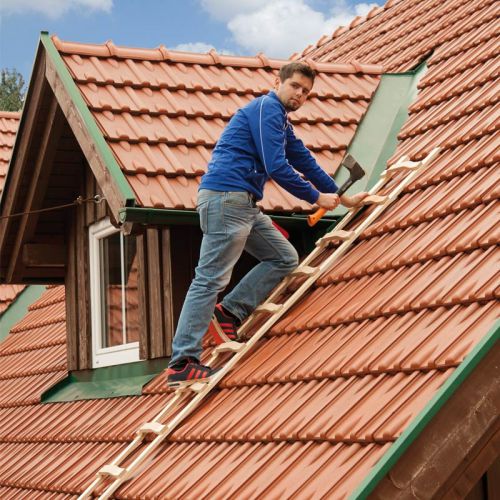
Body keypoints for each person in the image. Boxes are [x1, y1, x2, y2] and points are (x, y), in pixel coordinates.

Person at [166, 62, 369, 388]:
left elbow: (302, 159)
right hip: (226, 199)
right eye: (296, 87)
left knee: (284, 257)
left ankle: (229, 312)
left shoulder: (281, 123)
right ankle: (183, 362)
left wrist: (340, 196)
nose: (300, 95)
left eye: (306, 92)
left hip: (244, 204)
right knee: (209, 278)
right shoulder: (267, 109)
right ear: (278, 82)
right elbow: (277, 165)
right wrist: (316, 197)